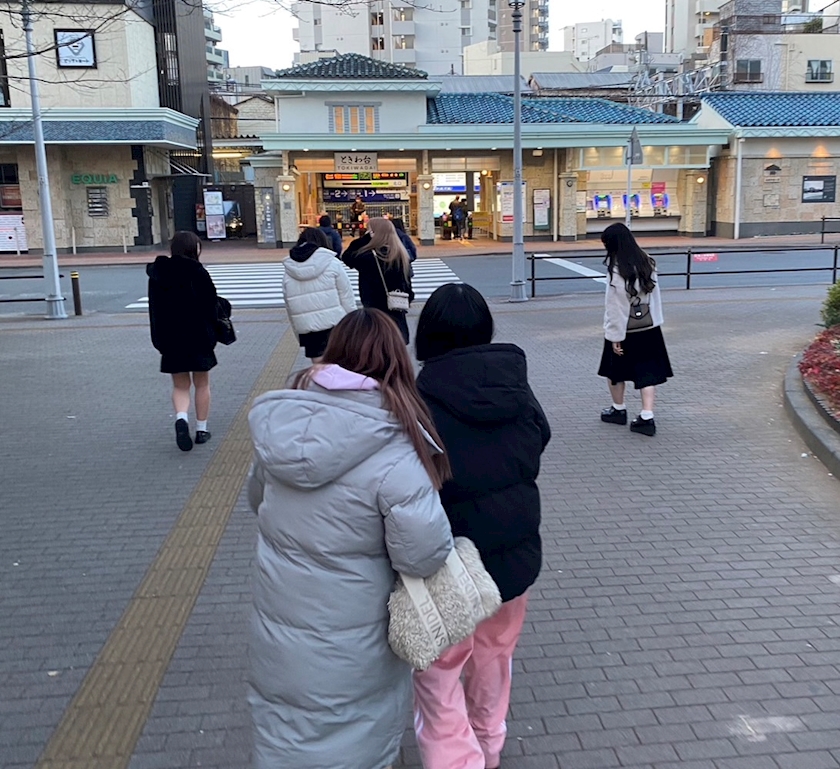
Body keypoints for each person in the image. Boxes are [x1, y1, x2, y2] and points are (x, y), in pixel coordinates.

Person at [246, 308, 454, 769]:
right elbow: (422, 557)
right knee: (351, 739)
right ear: (395, 363)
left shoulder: (283, 427)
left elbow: (256, 499)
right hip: (356, 639)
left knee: (285, 732)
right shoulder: (397, 448)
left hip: (280, 625)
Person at [411, 283, 550, 769]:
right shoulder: (516, 386)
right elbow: (539, 440)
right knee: (494, 658)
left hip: (445, 563)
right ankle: (489, 747)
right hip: (512, 557)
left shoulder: (418, 398)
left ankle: (454, 760)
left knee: (440, 674)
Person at [598, 222, 673, 436]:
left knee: (615, 371)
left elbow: (616, 307)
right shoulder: (647, 262)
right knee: (647, 373)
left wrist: (615, 337)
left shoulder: (617, 270)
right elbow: (654, 296)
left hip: (625, 329)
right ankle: (647, 417)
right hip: (649, 327)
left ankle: (618, 409)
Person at [147, 231, 218, 452]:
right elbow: (211, 305)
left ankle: (181, 418)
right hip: (198, 337)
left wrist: (159, 340)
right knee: (202, 383)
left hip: (171, 339)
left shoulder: (158, 274)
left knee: (180, 385)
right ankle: (202, 430)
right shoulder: (197, 271)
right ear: (194, 249)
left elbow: (154, 311)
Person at [283, 227, 356, 362]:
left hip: (308, 326)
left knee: (319, 367)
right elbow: (346, 295)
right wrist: (352, 322)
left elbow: (289, 305)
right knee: (339, 364)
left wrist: (298, 331)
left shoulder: (289, 269)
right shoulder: (332, 262)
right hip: (335, 322)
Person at [341, 217, 414, 344]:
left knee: (377, 344)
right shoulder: (400, 254)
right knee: (395, 344)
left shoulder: (368, 257)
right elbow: (407, 285)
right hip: (396, 307)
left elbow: (347, 257)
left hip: (374, 307)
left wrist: (366, 239)